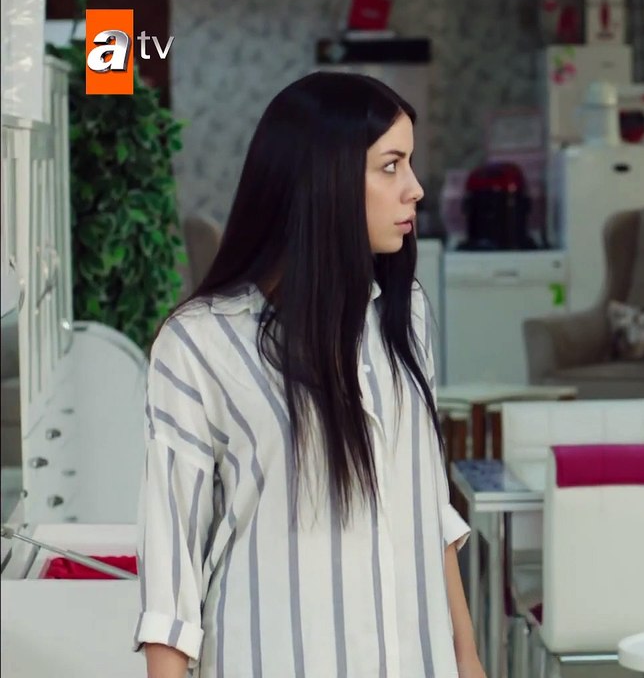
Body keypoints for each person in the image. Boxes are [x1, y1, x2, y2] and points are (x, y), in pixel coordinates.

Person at [133, 72, 485, 678]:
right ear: (325, 179)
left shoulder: (402, 314)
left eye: (409, 164)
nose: (416, 189)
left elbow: (428, 510)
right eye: (391, 166)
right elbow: (171, 574)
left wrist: (468, 659)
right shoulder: (199, 341)